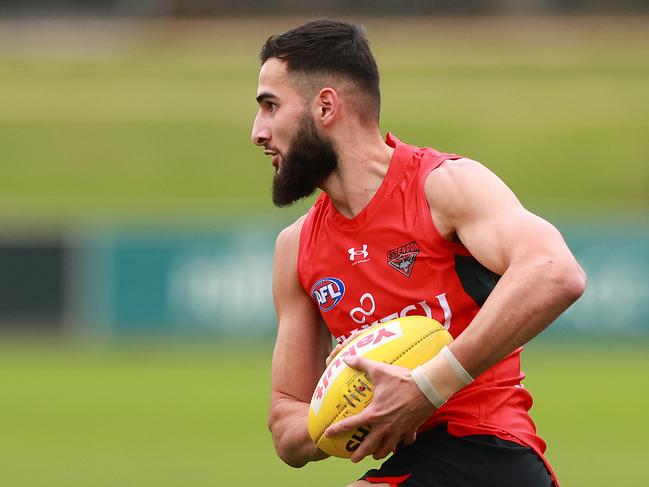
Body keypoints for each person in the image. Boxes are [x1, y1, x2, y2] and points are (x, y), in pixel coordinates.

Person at [251, 19, 586, 487]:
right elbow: (287, 428)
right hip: (411, 465)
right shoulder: (296, 248)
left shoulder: (443, 187)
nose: (257, 132)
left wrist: (425, 388)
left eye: (271, 106)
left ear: (325, 106)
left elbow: (556, 272)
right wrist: (350, 407)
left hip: (489, 453)